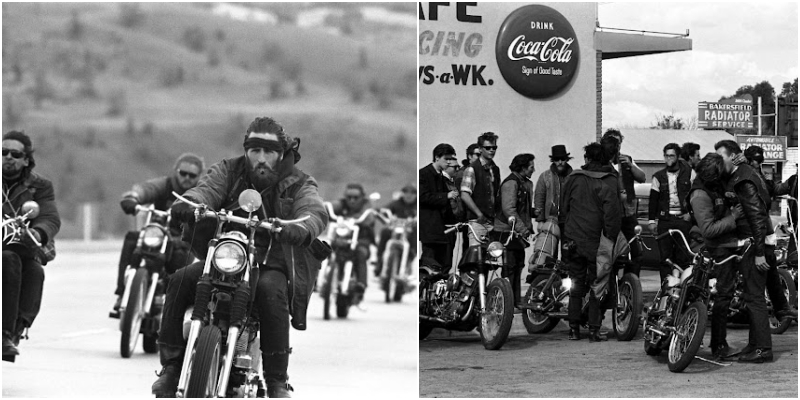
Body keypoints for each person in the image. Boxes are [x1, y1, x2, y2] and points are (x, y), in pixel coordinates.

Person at [151, 117, 328, 397]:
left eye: (268, 152)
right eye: (254, 150)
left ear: (281, 154)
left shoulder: (300, 182)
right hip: (227, 254)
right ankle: (172, 367)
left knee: (271, 292)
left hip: (270, 262)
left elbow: (314, 210)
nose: (260, 158)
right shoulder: (228, 169)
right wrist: (191, 203)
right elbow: (206, 189)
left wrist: (301, 227)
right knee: (180, 280)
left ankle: (276, 381)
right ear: (246, 151)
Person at [110, 153, 204, 316]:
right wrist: (133, 198)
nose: (186, 178)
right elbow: (146, 189)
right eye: (183, 173)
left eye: (192, 175)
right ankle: (121, 293)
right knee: (132, 239)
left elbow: (211, 202)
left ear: (199, 176)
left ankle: (173, 308)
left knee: (182, 264)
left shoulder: (201, 192)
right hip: (157, 232)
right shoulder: (165, 185)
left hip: (182, 239)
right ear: (176, 171)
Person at [2, 130, 61, 358]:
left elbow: (49, 217)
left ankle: (12, 331)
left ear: (26, 160)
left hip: (22, 244)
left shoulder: (40, 186)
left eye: (15, 154)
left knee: (34, 270)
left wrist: (37, 232)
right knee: (8, 258)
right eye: (3, 152)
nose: (8, 157)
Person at [715, 139, 774, 363]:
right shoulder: (744, 173)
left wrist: (759, 252)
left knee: (755, 297)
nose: (719, 162)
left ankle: (763, 350)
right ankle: (754, 345)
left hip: (755, 244)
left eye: (721, 156)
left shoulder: (744, 180)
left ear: (733, 156)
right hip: (754, 242)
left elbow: (758, 217)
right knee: (751, 296)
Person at [560, 142, 621, 342]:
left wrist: (566, 235)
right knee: (598, 286)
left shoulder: (573, 178)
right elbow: (612, 215)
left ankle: (573, 329)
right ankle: (594, 330)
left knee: (575, 286)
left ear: (587, 158)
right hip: (598, 242)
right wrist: (611, 239)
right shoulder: (609, 181)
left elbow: (563, 209)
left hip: (574, 240)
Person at [686, 153, 743, 360]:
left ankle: (717, 343)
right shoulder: (700, 195)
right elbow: (708, 230)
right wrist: (733, 217)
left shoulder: (711, 185)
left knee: (723, 294)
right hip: (717, 247)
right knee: (723, 294)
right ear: (713, 175)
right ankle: (719, 345)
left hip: (725, 245)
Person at [649, 143, 695, 282]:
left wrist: (691, 214)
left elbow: (696, 195)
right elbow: (653, 200)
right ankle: (666, 289)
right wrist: (652, 221)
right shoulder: (658, 176)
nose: (668, 158)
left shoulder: (690, 173)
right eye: (666, 155)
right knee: (665, 257)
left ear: (678, 157)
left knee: (684, 256)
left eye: (672, 155)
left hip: (682, 220)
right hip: (665, 220)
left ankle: (683, 288)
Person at [494, 153, 535, 307]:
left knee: (518, 266)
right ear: (523, 167)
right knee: (510, 267)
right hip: (507, 233)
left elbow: (519, 208)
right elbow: (509, 209)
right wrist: (524, 230)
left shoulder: (522, 182)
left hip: (515, 232)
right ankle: (508, 302)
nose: (533, 169)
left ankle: (515, 300)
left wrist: (532, 213)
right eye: (531, 167)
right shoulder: (511, 183)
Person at [603, 130, 646, 272]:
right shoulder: (601, 163)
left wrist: (631, 165)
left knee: (636, 252)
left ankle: (632, 284)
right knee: (611, 253)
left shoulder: (627, 159)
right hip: (610, 216)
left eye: (619, 143)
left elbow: (642, 178)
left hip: (628, 214)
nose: (617, 146)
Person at [330, 183, 378, 299]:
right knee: (326, 249)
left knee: (360, 253)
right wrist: (321, 208)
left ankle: (361, 284)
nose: (352, 200)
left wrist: (358, 219)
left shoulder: (367, 206)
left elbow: (369, 216)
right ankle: (319, 277)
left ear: (362, 197)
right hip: (342, 238)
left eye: (355, 198)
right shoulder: (341, 204)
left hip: (361, 239)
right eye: (349, 197)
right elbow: (331, 207)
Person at [419, 144, 458, 270]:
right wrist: (446, 196)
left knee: (443, 266)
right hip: (429, 229)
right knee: (429, 266)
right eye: (446, 159)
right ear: (437, 158)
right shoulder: (423, 174)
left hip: (442, 230)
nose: (449, 162)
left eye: (451, 159)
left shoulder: (441, 177)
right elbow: (423, 197)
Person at [461, 132, 500, 247]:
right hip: (477, 221)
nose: (491, 150)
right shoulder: (472, 169)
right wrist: (479, 214)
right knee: (477, 256)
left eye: (494, 147)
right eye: (488, 148)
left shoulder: (495, 169)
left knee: (492, 259)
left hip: (492, 221)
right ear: (480, 149)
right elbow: (464, 194)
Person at [374, 184, 417, 277]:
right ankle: (379, 261)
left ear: (416, 195)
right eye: (406, 192)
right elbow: (385, 211)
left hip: (410, 231)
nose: (408, 195)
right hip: (396, 229)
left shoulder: (417, 205)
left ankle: (409, 261)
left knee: (416, 235)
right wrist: (379, 211)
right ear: (403, 194)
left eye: (412, 193)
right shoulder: (396, 203)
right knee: (385, 231)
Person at [534, 145, 572, 236]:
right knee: (548, 249)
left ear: (566, 160)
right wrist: (540, 220)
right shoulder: (545, 176)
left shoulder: (573, 177)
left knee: (568, 249)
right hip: (549, 220)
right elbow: (539, 198)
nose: (560, 162)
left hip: (568, 221)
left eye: (562, 159)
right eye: (557, 159)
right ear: (553, 160)